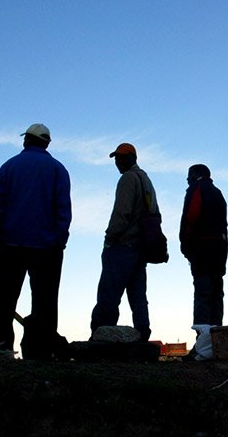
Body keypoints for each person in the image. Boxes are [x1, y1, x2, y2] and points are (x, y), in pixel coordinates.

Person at [0, 124, 71, 359]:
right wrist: (59, 240)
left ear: (26, 141)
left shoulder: (9, 167)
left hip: (10, 244)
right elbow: (63, 209)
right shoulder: (58, 170)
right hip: (47, 248)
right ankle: (41, 349)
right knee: (45, 300)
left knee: (3, 297)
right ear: (47, 143)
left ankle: (0, 346)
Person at [90, 143, 156, 341]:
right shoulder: (146, 179)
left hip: (123, 245)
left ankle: (102, 336)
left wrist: (109, 238)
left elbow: (121, 213)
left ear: (133, 158)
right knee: (138, 297)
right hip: (140, 248)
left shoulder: (128, 179)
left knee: (108, 295)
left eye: (122, 157)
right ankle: (143, 334)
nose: (118, 162)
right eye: (116, 158)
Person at [179, 164, 228, 327]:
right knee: (216, 295)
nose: (187, 179)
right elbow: (224, 227)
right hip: (219, 253)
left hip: (202, 251)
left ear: (196, 175)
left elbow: (191, 217)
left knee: (202, 294)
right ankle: (216, 339)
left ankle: (202, 342)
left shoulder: (196, 189)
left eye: (189, 175)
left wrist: (185, 245)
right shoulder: (218, 193)